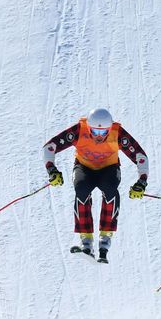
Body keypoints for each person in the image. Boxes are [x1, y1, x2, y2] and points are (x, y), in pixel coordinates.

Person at [42, 108, 149, 263]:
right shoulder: (79, 130)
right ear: (89, 127)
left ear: (109, 128)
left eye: (103, 133)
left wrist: (142, 181)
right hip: (84, 167)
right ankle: (86, 241)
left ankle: (105, 240)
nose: (99, 137)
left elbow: (140, 156)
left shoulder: (117, 133)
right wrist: (51, 170)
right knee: (81, 188)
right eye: (95, 132)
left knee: (110, 188)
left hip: (109, 168)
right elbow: (50, 147)